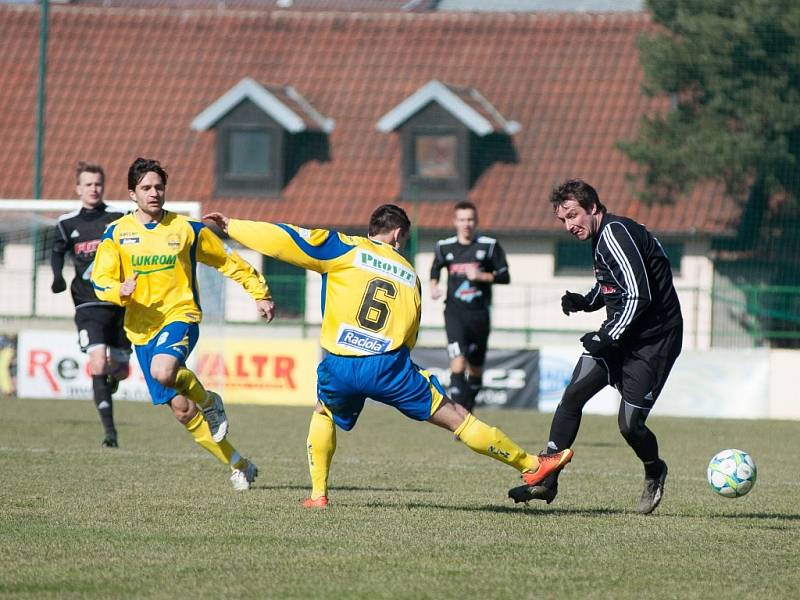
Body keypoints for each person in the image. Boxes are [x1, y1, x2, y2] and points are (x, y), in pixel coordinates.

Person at [203, 204, 572, 508]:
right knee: (457, 417)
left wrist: (234, 226)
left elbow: (286, 238)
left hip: (339, 362)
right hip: (388, 367)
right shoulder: (409, 275)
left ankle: (318, 495)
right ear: (398, 235)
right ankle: (530, 465)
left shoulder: (344, 248)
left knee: (324, 411)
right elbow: (409, 333)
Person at [91, 157, 275, 490]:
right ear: (132, 193)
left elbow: (228, 260)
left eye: (159, 187)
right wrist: (119, 289)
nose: (154, 193)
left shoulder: (186, 229)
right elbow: (99, 279)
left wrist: (259, 292)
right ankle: (239, 464)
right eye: (146, 188)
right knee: (181, 410)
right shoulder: (117, 233)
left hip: (180, 315)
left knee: (165, 372)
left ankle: (210, 402)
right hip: (141, 329)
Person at [508, 179, 683, 514]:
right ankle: (546, 478)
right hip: (622, 333)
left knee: (630, 425)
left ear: (592, 207)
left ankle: (654, 468)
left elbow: (638, 295)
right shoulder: (602, 236)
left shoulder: (616, 233)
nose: (569, 225)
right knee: (573, 395)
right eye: (562, 220)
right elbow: (612, 284)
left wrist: (606, 336)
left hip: (654, 341)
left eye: (573, 215)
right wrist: (585, 302)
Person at [51, 162, 131, 448]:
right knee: (97, 362)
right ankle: (110, 433)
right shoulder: (66, 223)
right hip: (87, 305)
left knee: (121, 370)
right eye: (88, 184)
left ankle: (111, 383)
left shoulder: (119, 218)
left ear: (103, 186)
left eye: (98, 183)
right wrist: (57, 276)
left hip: (119, 304)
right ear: (78, 188)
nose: (93, 188)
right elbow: (57, 252)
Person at [430, 201, 510, 411]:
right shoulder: (444, 246)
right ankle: (459, 416)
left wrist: (481, 275)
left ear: (476, 221)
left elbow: (505, 276)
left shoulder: (489, 246)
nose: (467, 224)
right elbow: (435, 269)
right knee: (457, 362)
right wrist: (434, 287)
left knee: (475, 369)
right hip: (455, 313)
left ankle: (468, 407)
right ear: (455, 222)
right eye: (462, 219)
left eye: (471, 219)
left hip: (479, 315)